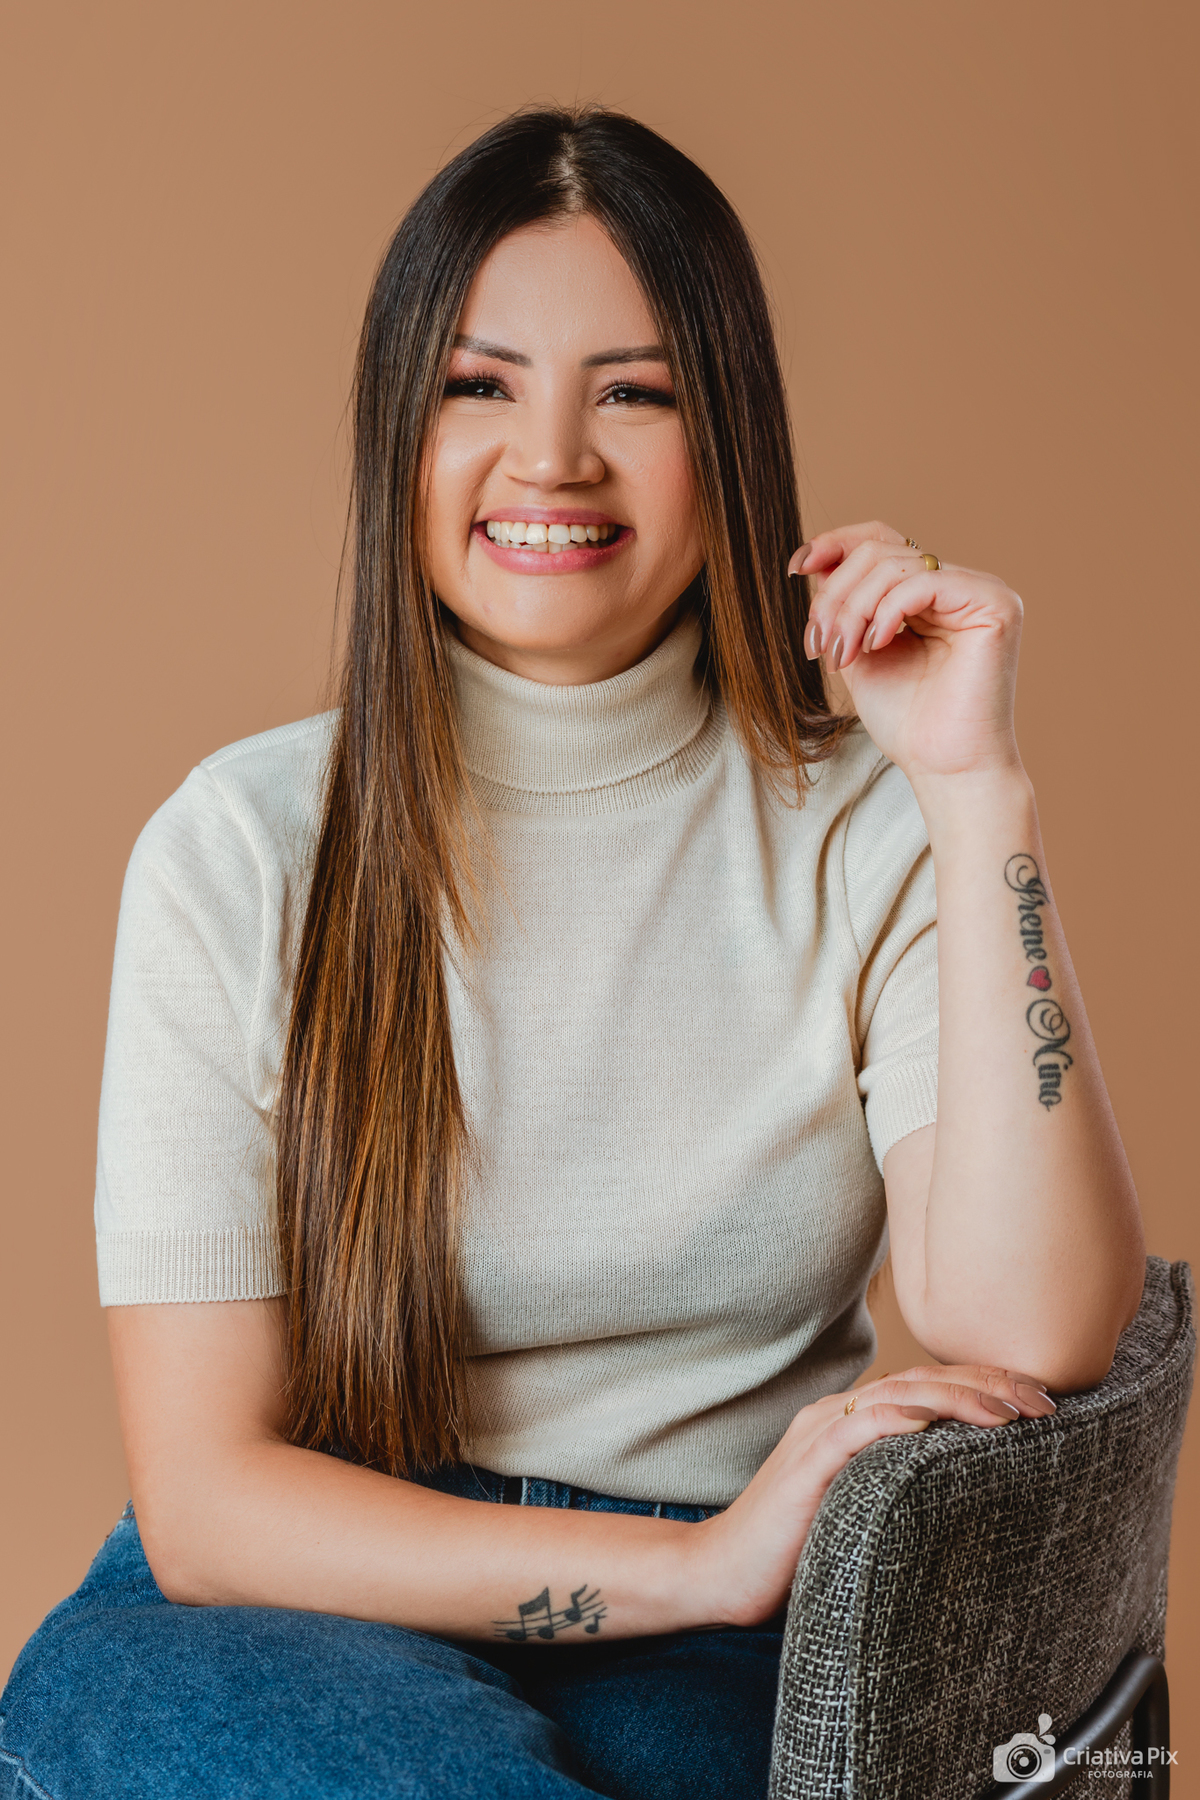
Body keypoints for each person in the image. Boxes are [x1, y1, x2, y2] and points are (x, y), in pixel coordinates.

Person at [0, 106, 1144, 1800]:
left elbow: (1034, 1329)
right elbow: (211, 1501)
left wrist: (978, 791)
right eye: (480, 386)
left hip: (723, 1646)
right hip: (314, 1598)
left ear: (726, 435)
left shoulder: (867, 822)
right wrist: (699, 1566)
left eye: (634, 393)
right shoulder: (237, 847)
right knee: (161, 1708)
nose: (550, 460)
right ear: (399, 428)